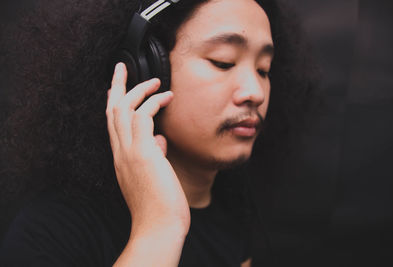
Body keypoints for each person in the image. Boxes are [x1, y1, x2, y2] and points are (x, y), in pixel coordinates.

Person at [0, 0, 316, 266]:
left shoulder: (234, 210)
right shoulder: (53, 231)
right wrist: (159, 229)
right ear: (146, 69)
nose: (255, 92)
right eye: (223, 62)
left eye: (263, 69)